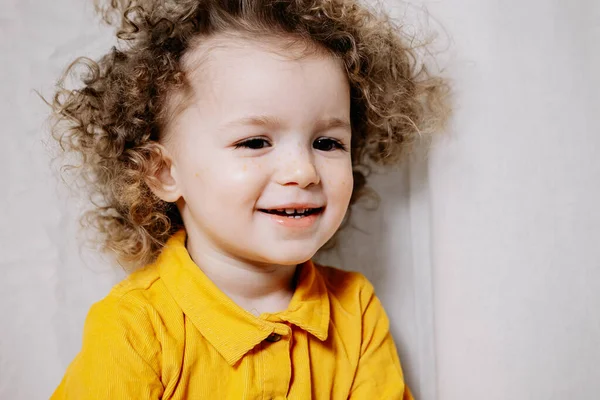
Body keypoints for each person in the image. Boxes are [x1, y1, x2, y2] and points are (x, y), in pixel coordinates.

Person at [47, 0, 450, 398]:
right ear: (164, 172)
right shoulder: (135, 326)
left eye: (327, 142)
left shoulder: (355, 311)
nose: (304, 172)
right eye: (255, 141)